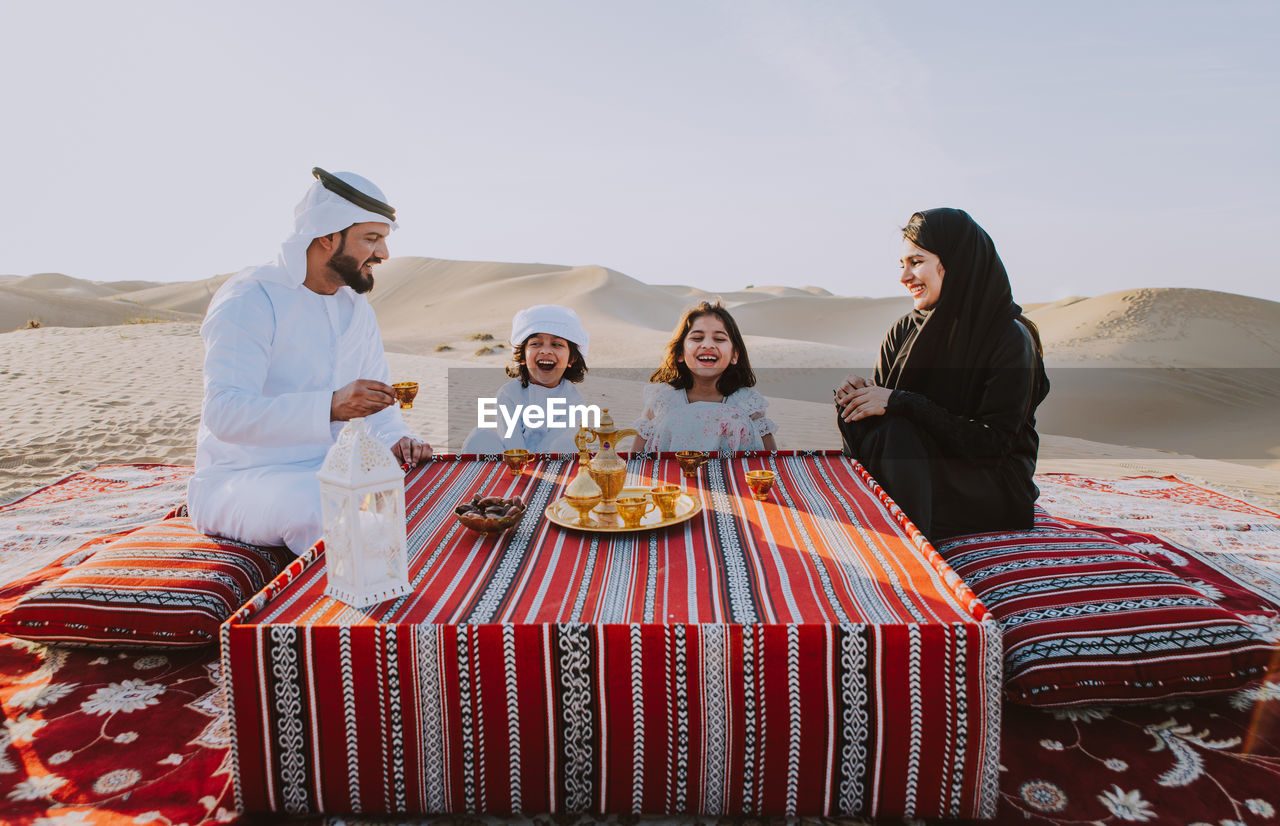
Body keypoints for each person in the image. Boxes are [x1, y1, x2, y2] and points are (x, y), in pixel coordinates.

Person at [187, 168, 431, 554]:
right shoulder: (251, 298)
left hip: (334, 467)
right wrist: (330, 406)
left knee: (422, 490)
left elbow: (378, 406)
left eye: (383, 240)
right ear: (327, 236)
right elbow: (225, 413)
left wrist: (398, 438)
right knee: (322, 505)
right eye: (371, 239)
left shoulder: (356, 307)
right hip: (247, 478)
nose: (383, 254)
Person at [834, 208, 1049, 540]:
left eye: (916, 262)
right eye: (901, 265)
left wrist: (902, 402)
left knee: (897, 432)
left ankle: (907, 549)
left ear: (956, 262)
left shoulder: (1009, 338)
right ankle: (894, 528)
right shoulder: (903, 331)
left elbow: (991, 445)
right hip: (917, 474)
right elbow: (887, 424)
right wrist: (857, 400)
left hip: (989, 486)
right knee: (889, 432)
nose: (905, 277)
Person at [632, 300, 778, 452]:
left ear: (734, 355)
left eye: (719, 339)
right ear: (680, 353)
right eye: (697, 338)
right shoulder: (662, 400)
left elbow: (771, 461)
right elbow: (637, 459)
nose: (708, 345)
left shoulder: (747, 402)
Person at [461, 304, 590, 454]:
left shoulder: (574, 400)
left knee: (567, 445)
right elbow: (513, 446)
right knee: (479, 437)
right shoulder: (509, 394)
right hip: (512, 466)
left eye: (556, 344)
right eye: (536, 343)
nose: (546, 351)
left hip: (552, 468)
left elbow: (556, 448)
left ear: (572, 358)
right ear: (522, 356)